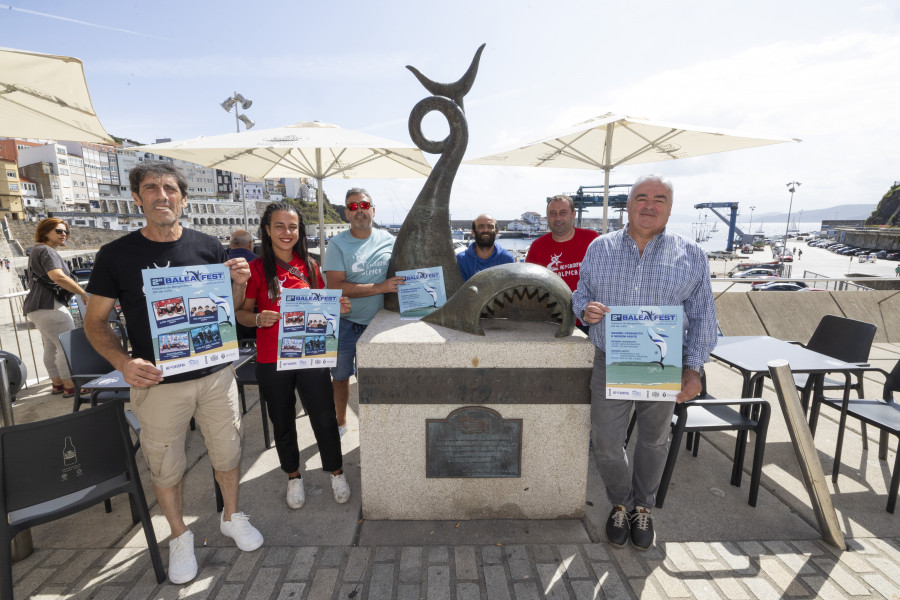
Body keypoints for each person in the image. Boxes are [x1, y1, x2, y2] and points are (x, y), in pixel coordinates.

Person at [83, 161, 262, 585]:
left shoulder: (208, 247)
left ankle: (231, 515)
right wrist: (124, 363)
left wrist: (237, 283)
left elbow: (228, 311)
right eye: (151, 188)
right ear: (137, 198)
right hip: (159, 382)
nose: (161, 195)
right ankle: (179, 535)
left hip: (217, 373)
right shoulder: (116, 255)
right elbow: (94, 322)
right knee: (166, 466)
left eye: (169, 188)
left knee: (229, 451)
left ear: (183, 197)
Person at [572, 174, 717, 551]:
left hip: (661, 363)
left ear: (669, 207)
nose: (649, 205)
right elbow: (580, 291)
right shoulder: (599, 248)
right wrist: (584, 308)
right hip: (611, 358)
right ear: (629, 204)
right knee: (605, 442)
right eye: (641, 197)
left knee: (654, 441)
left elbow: (703, 316)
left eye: (659, 199)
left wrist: (694, 367)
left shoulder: (692, 254)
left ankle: (643, 508)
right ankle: (620, 502)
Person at [236, 202, 352, 510]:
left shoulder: (311, 266)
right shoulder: (258, 269)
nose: (287, 232)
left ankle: (336, 472)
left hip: (309, 355)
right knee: (283, 421)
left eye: (293, 226)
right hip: (271, 360)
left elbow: (320, 306)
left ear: (299, 231)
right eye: (279, 226)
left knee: (325, 418)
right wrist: (258, 318)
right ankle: (293, 476)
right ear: (267, 230)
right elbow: (242, 314)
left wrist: (335, 307)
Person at [323, 188, 404, 437]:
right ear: (347, 213)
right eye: (353, 206)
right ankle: (341, 421)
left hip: (379, 324)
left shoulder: (389, 240)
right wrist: (379, 287)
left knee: (377, 380)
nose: (360, 210)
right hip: (345, 323)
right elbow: (335, 286)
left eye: (364, 205)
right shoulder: (336, 244)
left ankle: (377, 428)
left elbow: (406, 271)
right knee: (340, 377)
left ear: (373, 210)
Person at [23, 218, 89, 398]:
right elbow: (57, 277)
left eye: (66, 231)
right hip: (49, 306)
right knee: (65, 345)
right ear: (45, 233)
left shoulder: (36, 251)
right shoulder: (46, 250)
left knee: (51, 347)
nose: (63, 234)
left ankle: (57, 383)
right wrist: (82, 293)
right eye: (58, 231)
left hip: (36, 307)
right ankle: (71, 385)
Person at [525, 195, 599, 332]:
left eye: (563, 213)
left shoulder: (592, 239)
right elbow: (528, 286)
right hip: (552, 322)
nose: (558, 218)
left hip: (589, 321)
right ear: (547, 217)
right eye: (552, 214)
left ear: (573, 214)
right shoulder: (537, 246)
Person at [456, 214, 516, 281]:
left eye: (490, 226)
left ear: (497, 232)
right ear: (473, 232)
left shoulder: (507, 259)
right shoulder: (461, 260)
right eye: (481, 226)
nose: (486, 230)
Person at [228, 229, 259, 342]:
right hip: (255, 320)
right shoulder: (259, 264)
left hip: (231, 323)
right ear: (250, 244)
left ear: (231, 245)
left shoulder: (222, 264)